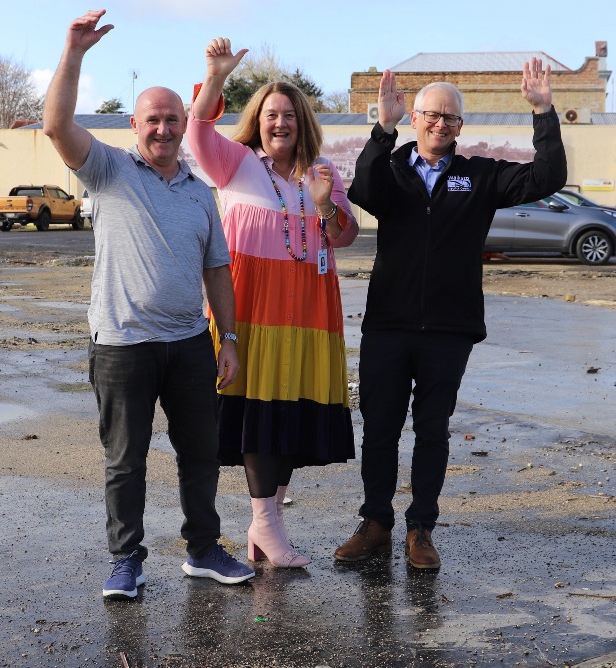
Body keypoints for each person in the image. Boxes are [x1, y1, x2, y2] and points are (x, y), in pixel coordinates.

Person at [43, 10, 254, 600]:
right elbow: (57, 124)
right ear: (134, 126)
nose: (162, 129)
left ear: (185, 123)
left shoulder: (201, 193)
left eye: (171, 120)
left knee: (201, 455)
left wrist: (228, 339)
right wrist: (74, 52)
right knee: (125, 462)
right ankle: (126, 560)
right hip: (121, 344)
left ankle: (204, 550)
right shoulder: (108, 170)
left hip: (189, 343)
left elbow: (218, 268)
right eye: (152, 120)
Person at [336, 60, 567, 569]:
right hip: (388, 325)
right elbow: (363, 192)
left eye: (452, 118)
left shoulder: (479, 175)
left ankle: (421, 528)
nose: (442, 124)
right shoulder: (391, 168)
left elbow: (548, 176)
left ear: (461, 127)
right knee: (379, 428)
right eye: (432, 115)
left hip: (449, 328)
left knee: (433, 429)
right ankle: (376, 522)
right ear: (415, 118)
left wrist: (543, 112)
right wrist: (382, 128)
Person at [188, 38, 360, 569]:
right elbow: (196, 133)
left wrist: (327, 206)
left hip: (309, 311)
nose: (279, 123)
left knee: (289, 412)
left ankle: (268, 524)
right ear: (257, 122)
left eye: (288, 115)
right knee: (257, 412)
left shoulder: (321, 171)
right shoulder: (235, 163)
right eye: (269, 115)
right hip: (250, 308)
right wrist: (216, 76)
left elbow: (345, 235)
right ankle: (265, 523)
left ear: (302, 121)